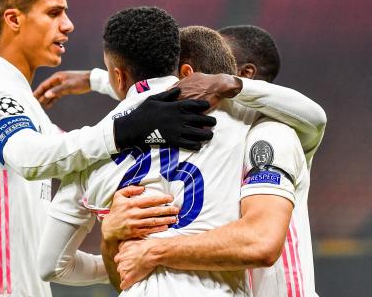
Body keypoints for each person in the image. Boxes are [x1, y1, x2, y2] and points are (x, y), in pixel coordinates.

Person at [0, 0, 217, 297]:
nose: (68, 25)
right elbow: (31, 158)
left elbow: (79, 151)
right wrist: (126, 128)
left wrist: (137, 257)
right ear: (13, 19)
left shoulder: (28, 111)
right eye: (54, 13)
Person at [37, 19, 325, 296]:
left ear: (242, 76)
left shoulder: (273, 134)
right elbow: (125, 278)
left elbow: (260, 242)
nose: (191, 81)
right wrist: (112, 240)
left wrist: (153, 250)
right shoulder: (206, 138)